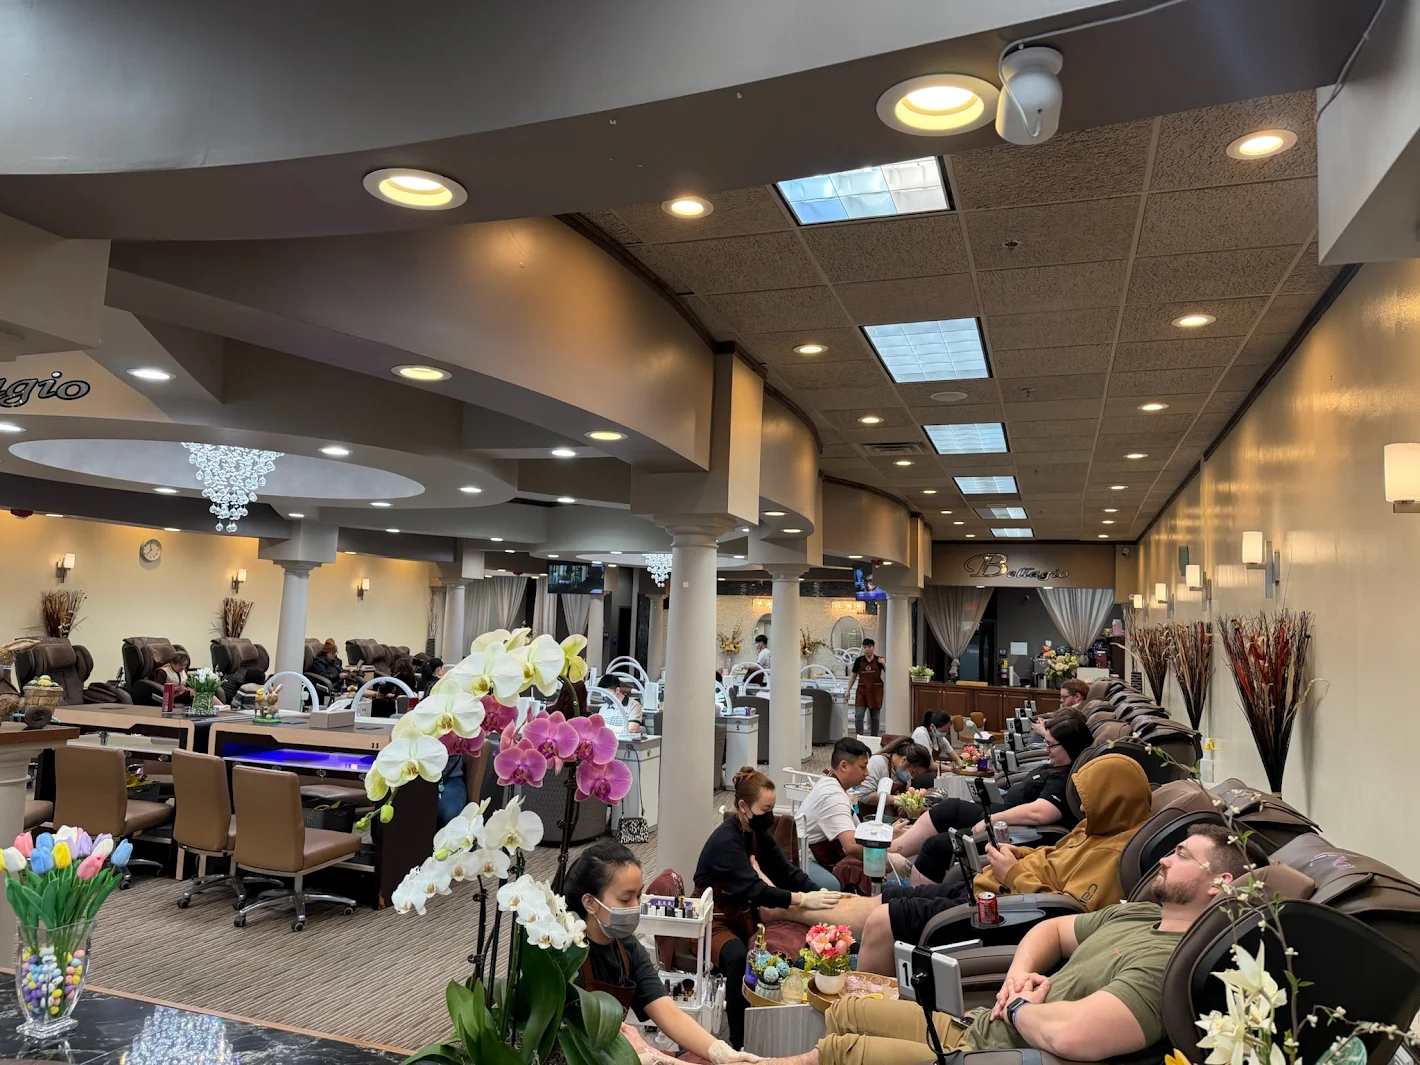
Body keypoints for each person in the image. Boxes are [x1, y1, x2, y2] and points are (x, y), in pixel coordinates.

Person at [759, 823, 1251, 1065]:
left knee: (844, 1049)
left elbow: (1072, 1036)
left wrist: (1017, 1009)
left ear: (1220, 883)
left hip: (996, 1052)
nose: (1163, 859)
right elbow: (1052, 931)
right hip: (980, 1025)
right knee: (847, 1011)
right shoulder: (1142, 914)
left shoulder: (1169, 964)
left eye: (1181, 855)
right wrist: (1018, 976)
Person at [562, 841, 761, 1065]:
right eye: (626, 899)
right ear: (590, 903)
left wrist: (719, 1051)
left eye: (639, 896)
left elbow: (667, 1011)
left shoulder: (627, 948)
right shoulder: (566, 957)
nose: (636, 906)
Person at [693, 768, 841, 1048]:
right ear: (743, 806)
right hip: (713, 919)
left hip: (742, 915)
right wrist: (803, 900)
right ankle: (739, 1042)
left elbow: (785, 871)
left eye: (772, 809)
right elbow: (756, 890)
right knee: (739, 959)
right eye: (765, 810)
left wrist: (817, 891)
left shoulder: (756, 832)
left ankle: (773, 1026)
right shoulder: (726, 841)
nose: (770, 816)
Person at [895, 710, 1093, 883]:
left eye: (1050, 745)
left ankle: (915, 893)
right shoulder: (1058, 765)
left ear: (1069, 746)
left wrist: (991, 820)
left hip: (1011, 830)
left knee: (936, 846)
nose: (1046, 750)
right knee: (948, 808)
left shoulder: (1064, 779)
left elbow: (1040, 813)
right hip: (1000, 814)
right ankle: (895, 849)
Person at [797, 737, 871, 889]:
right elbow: (851, 845)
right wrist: (885, 857)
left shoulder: (832, 783)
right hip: (803, 859)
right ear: (844, 766)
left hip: (820, 856)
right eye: (863, 767)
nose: (867, 773)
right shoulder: (833, 795)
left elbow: (858, 830)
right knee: (832, 887)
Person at [850, 737, 931, 808]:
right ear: (904, 760)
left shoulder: (905, 775)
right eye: (913, 772)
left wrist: (902, 808)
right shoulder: (878, 763)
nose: (912, 777)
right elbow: (863, 795)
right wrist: (897, 800)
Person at [844, 638, 883, 736]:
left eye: (869, 647)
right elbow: (853, 676)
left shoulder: (879, 660)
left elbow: (890, 672)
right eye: (865, 647)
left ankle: (874, 738)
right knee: (859, 716)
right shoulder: (858, 661)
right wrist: (848, 690)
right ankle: (859, 737)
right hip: (862, 692)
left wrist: (884, 664)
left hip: (875, 692)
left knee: (875, 718)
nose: (867, 649)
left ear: (873, 647)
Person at [910, 710, 961, 783]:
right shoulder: (921, 734)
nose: (946, 732)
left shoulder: (937, 736)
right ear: (932, 727)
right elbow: (931, 765)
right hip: (917, 773)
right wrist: (952, 769)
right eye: (943, 731)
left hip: (929, 772)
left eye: (947, 730)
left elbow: (955, 758)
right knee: (946, 780)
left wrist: (962, 767)